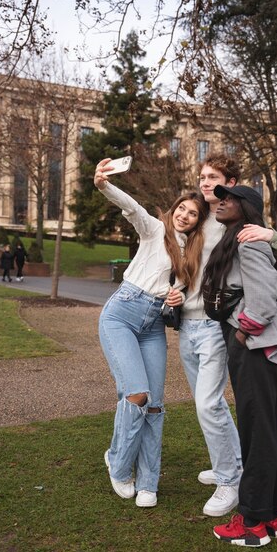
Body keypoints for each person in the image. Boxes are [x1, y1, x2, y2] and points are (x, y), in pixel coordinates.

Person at [179, 153, 277, 517]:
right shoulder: (197, 216)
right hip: (196, 324)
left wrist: (245, 332)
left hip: (237, 332)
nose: (206, 183)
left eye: (214, 178)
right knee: (221, 409)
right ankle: (241, 481)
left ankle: (238, 489)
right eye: (203, 177)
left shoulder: (246, 231)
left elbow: (269, 276)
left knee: (215, 406)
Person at [94, 158, 207, 508]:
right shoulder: (155, 230)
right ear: (174, 210)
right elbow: (131, 207)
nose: (185, 215)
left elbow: (189, 291)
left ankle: (148, 481)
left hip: (154, 326)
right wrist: (103, 185)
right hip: (122, 315)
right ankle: (117, 459)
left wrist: (179, 295)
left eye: (192, 213)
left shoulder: (194, 252)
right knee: (137, 394)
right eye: (182, 209)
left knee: (155, 406)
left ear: (198, 221)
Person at [201, 184, 277, 547]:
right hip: (266, 347)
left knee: (256, 434)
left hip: (257, 345)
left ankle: (253, 522)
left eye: (229, 198)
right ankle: (273, 512)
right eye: (219, 197)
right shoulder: (240, 239)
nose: (221, 201)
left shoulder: (250, 240)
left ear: (247, 207)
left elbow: (263, 298)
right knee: (270, 431)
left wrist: (243, 333)